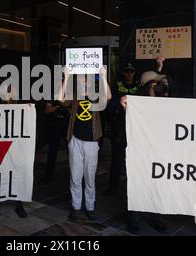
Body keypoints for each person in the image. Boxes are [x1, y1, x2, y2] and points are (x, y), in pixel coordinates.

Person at [120, 69, 170, 234]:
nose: (162, 87)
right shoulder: (137, 103)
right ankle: (133, 218)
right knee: (137, 184)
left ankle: (157, 217)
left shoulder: (169, 103)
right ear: (148, 86)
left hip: (160, 152)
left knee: (158, 185)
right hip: (140, 152)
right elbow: (128, 112)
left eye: (163, 84)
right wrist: (126, 104)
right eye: (157, 84)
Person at [59, 67, 111, 222]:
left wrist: (103, 76)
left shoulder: (96, 96)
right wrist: (66, 77)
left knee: (89, 177)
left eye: (86, 78)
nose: (83, 80)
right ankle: (75, 207)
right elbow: (60, 99)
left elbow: (108, 97)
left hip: (91, 143)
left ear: (90, 81)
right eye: (81, 78)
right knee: (75, 177)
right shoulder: (75, 97)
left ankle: (90, 207)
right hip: (75, 140)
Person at [0, 80, 28, 221]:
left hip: (15, 146)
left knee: (17, 174)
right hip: (0, 145)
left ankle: (19, 204)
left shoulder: (20, 105)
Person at [104, 63, 140, 196]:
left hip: (134, 129)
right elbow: (110, 106)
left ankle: (134, 191)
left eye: (131, 71)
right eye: (127, 71)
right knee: (116, 160)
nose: (129, 74)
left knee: (135, 161)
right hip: (119, 128)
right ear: (123, 72)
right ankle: (112, 188)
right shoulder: (116, 86)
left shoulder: (139, 87)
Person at [40, 98, 70, 184]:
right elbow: (47, 110)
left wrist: (68, 110)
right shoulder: (54, 92)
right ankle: (48, 176)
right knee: (52, 151)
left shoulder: (72, 92)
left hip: (69, 126)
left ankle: (74, 176)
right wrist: (58, 108)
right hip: (55, 125)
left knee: (72, 153)